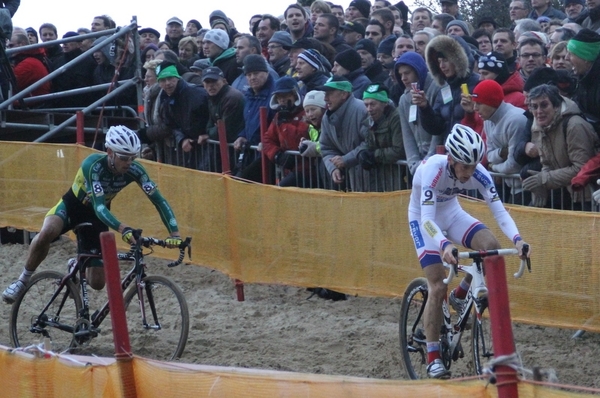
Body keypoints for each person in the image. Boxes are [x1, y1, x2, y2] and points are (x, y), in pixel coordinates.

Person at [2, 126, 182, 304]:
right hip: (73, 206)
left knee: (97, 283)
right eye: (124, 157)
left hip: (96, 217)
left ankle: (76, 266)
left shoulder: (135, 170)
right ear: (110, 152)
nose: (129, 162)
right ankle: (22, 280)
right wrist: (123, 228)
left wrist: (175, 233)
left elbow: (159, 200)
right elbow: (100, 207)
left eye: (133, 157)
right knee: (47, 232)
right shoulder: (93, 166)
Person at [407, 123, 529, 378]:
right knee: (438, 285)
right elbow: (428, 219)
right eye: (464, 166)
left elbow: (499, 211)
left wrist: (517, 240)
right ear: (451, 158)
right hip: (423, 219)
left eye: (473, 166)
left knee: (491, 248)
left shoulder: (479, 172)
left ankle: (461, 293)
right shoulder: (433, 169)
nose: (469, 172)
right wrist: (444, 245)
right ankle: (432, 357)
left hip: (452, 213)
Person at [522, 84, 598, 209]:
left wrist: (544, 179)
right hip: (566, 193)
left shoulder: (575, 125)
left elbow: (582, 168)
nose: (539, 111)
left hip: (587, 196)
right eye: (534, 107)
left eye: (544, 105)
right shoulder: (539, 125)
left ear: (556, 106)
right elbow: (546, 162)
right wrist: (542, 183)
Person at [318, 76, 369, 191]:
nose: (325, 98)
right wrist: (333, 168)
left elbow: (370, 143)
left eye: (330, 93)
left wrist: (346, 159)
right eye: (325, 94)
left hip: (371, 177)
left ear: (344, 94)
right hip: (352, 179)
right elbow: (326, 148)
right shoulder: (327, 117)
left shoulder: (362, 110)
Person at [395, 52, 442, 177]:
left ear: (418, 70)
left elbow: (438, 131)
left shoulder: (437, 88)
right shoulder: (404, 99)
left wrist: (428, 161)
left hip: (436, 162)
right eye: (400, 74)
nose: (403, 78)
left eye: (407, 73)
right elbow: (407, 135)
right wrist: (414, 164)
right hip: (419, 167)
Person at [357, 84, 405, 191]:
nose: (369, 109)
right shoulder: (369, 120)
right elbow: (368, 145)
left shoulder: (396, 118)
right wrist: (362, 154)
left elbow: (399, 150)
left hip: (397, 176)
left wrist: (374, 156)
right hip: (379, 177)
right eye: (366, 105)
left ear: (384, 103)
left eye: (373, 104)